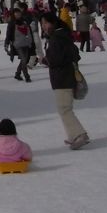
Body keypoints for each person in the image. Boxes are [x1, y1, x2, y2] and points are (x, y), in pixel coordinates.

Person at [39, 12, 89, 149]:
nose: (43, 26)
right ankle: (74, 135)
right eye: (42, 24)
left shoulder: (56, 38)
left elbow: (57, 59)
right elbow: (74, 54)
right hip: (66, 77)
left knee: (64, 108)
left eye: (45, 23)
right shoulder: (63, 35)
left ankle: (79, 134)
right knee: (65, 108)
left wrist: (45, 59)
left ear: (53, 23)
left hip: (62, 78)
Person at [5, 7, 38, 82]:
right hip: (17, 44)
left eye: (19, 13)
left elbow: (29, 32)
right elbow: (8, 34)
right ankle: (27, 76)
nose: (18, 15)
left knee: (25, 60)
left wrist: (32, 42)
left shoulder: (25, 21)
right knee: (24, 59)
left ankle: (17, 74)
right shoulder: (12, 23)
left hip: (26, 43)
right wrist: (6, 44)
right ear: (13, 14)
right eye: (16, 13)